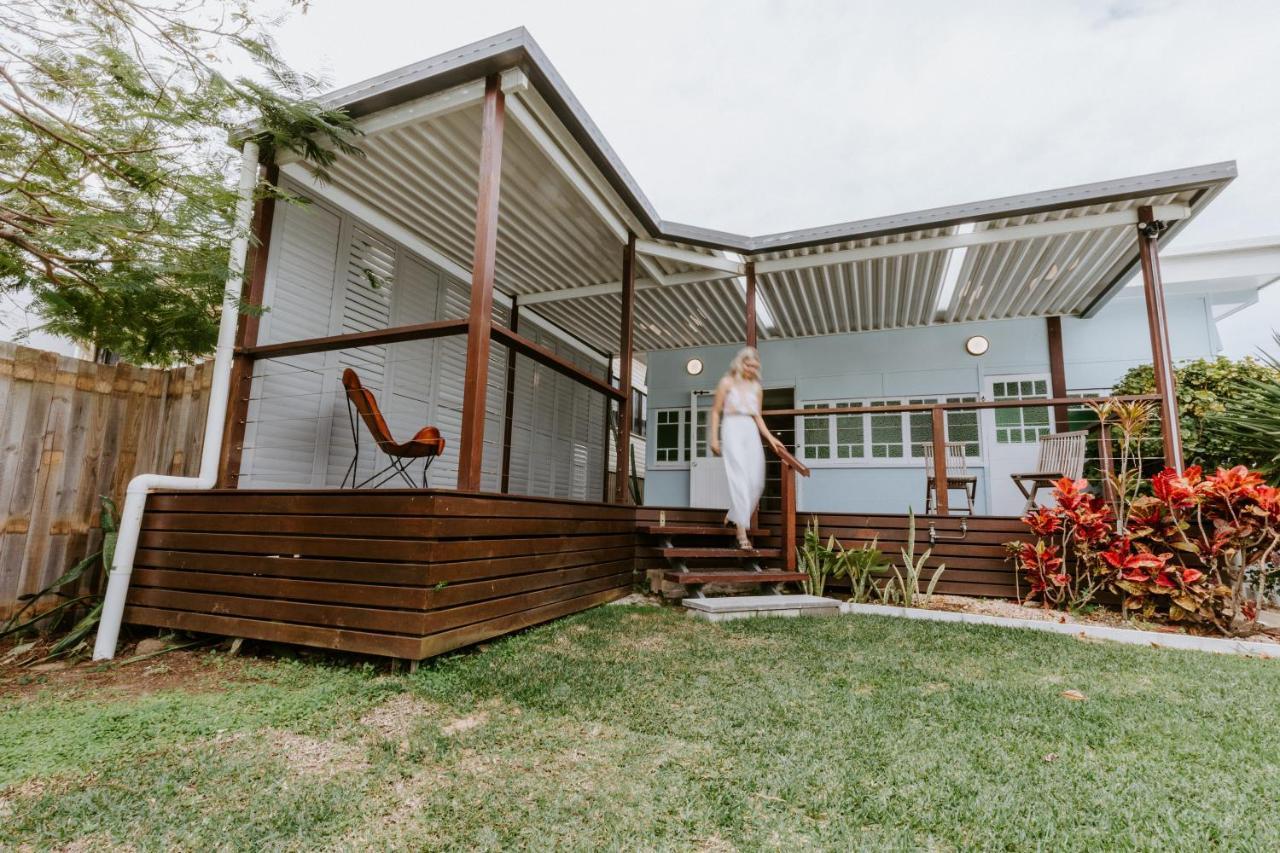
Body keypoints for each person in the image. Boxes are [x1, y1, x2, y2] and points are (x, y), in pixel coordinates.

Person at [709, 347, 786, 550]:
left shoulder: (756, 388)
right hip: (732, 427)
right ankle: (742, 532)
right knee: (740, 478)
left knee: (757, 482)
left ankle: (733, 514)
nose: (751, 369)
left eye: (754, 366)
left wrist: (770, 438)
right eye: (748, 365)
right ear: (740, 363)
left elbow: (757, 415)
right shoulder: (727, 382)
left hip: (750, 430)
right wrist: (714, 438)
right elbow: (716, 411)